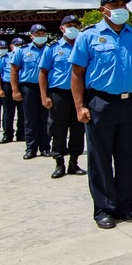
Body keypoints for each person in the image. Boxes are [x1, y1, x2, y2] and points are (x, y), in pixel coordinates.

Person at [69, 0, 132, 230]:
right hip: (100, 103)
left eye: (123, 5)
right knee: (100, 158)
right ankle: (105, 209)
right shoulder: (89, 36)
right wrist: (79, 107)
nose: (120, 9)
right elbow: (77, 73)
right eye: (115, 5)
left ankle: (125, 206)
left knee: (129, 157)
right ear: (103, 10)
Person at [39, 15, 86, 179]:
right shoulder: (52, 48)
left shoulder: (83, 46)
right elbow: (43, 72)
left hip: (80, 95)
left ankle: (74, 162)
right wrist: (44, 96)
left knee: (78, 129)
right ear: (62, 28)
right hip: (59, 94)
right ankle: (59, 163)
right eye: (69, 25)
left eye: (76, 25)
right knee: (58, 129)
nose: (73, 28)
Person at [11, 24, 51, 159]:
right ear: (31, 36)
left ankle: (45, 147)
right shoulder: (22, 51)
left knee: (46, 119)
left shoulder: (50, 49)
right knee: (30, 119)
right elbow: (14, 70)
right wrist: (15, 90)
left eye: (43, 33)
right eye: (38, 34)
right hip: (29, 88)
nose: (41, 36)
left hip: (47, 88)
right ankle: (31, 148)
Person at [0, 37, 25, 144]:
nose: (19, 47)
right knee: (8, 111)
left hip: (22, 85)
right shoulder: (4, 57)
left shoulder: (26, 56)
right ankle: (7, 134)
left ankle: (21, 133)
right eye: (17, 45)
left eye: (21, 45)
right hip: (8, 85)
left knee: (23, 111)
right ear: (11, 47)